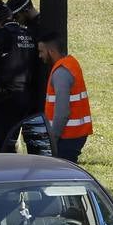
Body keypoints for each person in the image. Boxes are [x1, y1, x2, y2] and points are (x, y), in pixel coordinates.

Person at [0, 0, 36, 153]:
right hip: (30, 96)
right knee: (30, 141)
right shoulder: (28, 34)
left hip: (8, 97)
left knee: (1, 144)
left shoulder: (0, 36)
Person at [36, 34, 93, 163]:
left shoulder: (61, 72)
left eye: (41, 51)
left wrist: (52, 139)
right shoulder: (71, 63)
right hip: (75, 134)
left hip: (67, 137)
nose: (40, 56)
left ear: (51, 51)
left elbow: (62, 113)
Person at [5, 0, 45, 115]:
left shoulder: (39, 28)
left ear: (26, 10)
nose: (16, 21)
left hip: (39, 87)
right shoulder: (31, 28)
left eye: (16, 16)